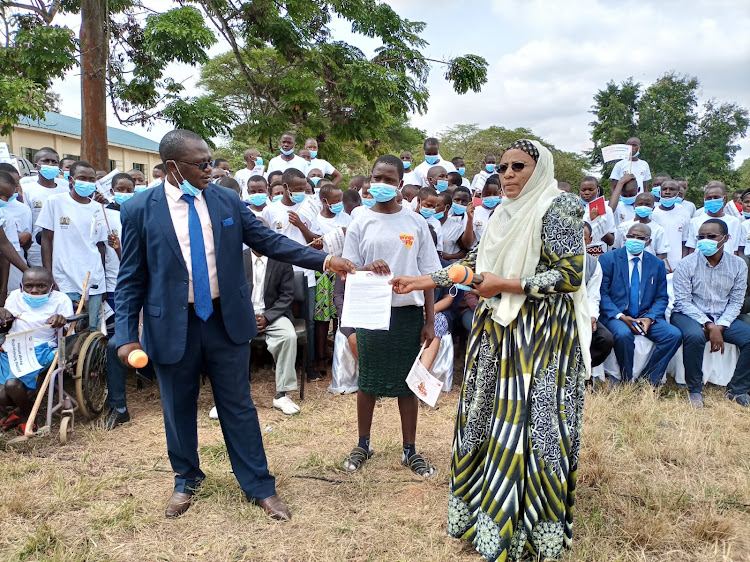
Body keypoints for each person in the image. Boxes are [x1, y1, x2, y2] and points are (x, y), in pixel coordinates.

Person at [114, 129, 354, 520]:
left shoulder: (226, 199)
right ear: (173, 167)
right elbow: (130, 279)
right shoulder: (139, 209)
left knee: (238, 405)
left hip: (225, 320)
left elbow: (267, 240)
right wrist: (125, 336)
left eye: (212, 161)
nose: (211, 169)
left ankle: (259, 485)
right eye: (202, 163)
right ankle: (186, 480)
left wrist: (325, 260)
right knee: (177, 407)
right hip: (173, 324)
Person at [392, 140, 590, 561]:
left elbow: (571, 274)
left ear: (540, 168)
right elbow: (473, 265)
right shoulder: (502, 212)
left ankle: (533, 533)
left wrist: (507, 286)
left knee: (535, 430)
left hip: (542, 337)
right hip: (497, 333)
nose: (509, 173)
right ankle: (488, 524)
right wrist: (423, 282)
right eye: (503, 167)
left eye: (519, 166)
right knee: (487, 422)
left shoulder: (561, 207)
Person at [341, 154, 441, 478]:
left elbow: (429, 275)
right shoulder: (360, 221)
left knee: (407, 384)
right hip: (371, 312)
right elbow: (348, 269)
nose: (381, 184)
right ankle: (363, 444)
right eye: (376, 178)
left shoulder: (416, 223)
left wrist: (429, 320)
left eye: (388, 179)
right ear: (370, 181)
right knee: (367, 381)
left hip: (408, 314)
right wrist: (369, 268)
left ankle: (409, 449)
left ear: (400, 184)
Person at [671, 219, 750, 408]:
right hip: (689, 314)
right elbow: (682, 301)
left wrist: (720, 326)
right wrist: (708, 324)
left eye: (711, 236)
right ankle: (695, 390)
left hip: (723, 316)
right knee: (694, 336)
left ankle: (738, 388)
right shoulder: (686, 264)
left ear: (726, 238)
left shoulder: (738, 265)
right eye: (701, 237)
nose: (704, 240)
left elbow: (736, 301)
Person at [598, 224, 681, 384]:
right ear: (625, 237)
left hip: (645, 315)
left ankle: (649, 379)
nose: (634, 240)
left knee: (673, 335)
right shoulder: (608, 259)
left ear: (648, 242)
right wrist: (621, 317)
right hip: (617, 315)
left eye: (640, 238)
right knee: (623, 335)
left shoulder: (656, 264)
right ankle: (626, 379)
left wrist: (649, 318)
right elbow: (602, 294)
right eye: (631, 236)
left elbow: (661, 297)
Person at [262, 169, 320, 380]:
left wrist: (300, 225)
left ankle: (309, 365)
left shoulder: (308, 209)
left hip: (305, 272)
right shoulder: (271, 210)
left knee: (309, 320)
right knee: (281, 317)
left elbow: (315, 240)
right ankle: (280, 363)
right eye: (296, 189)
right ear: (285, 188)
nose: (300, 193)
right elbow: (266, 241)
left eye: (303, 189)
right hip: (279, 275)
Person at [0, 267, 73, 434]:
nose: (34, 290)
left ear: (52, 287)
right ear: (21, 286)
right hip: (14, 346)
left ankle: (26, 415)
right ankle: (21, 410)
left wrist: (61, 319)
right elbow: (7, 319)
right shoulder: (15, 297)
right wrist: (3, 313)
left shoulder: (61, 300)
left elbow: (69, 331)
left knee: (12, 385)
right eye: (29, 286)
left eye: (41, 286)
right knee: (3, 394)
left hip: (42, 347)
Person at [37, 161, 107, 330]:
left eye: (91, 180)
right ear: (71, 179)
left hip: (93, 279)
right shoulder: (55, 201)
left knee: (91, 330)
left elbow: (100, 246)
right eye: (82, 178)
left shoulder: (98, 208)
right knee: (66, 329)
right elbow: (46, 239)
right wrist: (49, 274)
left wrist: (102, 278)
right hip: (63, 276)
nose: (87, 183)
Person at [243, 221, 301, 415]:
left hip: (274, 314)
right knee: (229, 339)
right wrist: (247, 317)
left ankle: (282, 395)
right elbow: (229, 293)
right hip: (244, 315)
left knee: (288, 337)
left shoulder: (281, 260)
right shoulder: (236, 259)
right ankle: (232, 395)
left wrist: (267, 317)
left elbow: (287, 295)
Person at [100, 173, 136, 429]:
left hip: (163, 316)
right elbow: (130, 269)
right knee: (115, 345)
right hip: (137, 315)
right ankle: (119, 406)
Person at [23, 148, 69, 267]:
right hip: (37, 251)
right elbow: (27, 222)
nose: (51, 164)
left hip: (64, 250)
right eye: (46, 161)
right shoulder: (27, 190)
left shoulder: (65, 189)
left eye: (54, 162)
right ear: (36, 165)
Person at [583, 223, 614, 368]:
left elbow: (593, 295)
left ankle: (583, 369)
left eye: (582, 238)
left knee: (605, 339)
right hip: (558, 312)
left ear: (589, 240)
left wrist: (592, 317)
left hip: (582, 312)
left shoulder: (593, 264)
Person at [686, 181, 743, 255]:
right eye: (709, 198)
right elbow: (692, 248)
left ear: (724, 199)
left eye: (716, 197)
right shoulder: (695, 221)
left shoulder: (734, 222)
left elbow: (735, 249)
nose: (712, 200)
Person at [0, 166, 32, 294]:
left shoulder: (4, 216)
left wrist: (30, 273)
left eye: (7, 197)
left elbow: (6, 248)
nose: (3, 200)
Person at [613, 192, 669, 259]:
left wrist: (652, 267)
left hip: (649, 266)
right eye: (640, 204)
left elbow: (662, 254)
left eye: (647, 205)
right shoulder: (622, 227)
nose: (643, 207)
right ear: (634, 206)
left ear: (653, 208)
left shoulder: (659, 229)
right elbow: (615, 249)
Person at [651, 179, 691, 272]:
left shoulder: (684, 213)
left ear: (678, 193)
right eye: (665, 189)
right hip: (656, 264)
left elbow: (684, 241)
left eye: (672, 189)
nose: (667, 192)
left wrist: (682, 264)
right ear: (660, 192)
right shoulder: (652, 212)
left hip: (677, 266)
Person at [579, 176, 614, 255]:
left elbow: (611, 241)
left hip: (598, 251)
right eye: (583, 190)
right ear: (579, 191)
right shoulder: (573, 208)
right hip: (577, 252)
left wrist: (597, 221)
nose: (587, 193)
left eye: (591, 190)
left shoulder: (606, 209)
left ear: (598, 190)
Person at [440, 187, 474, 262]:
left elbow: (466, 247)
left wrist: (448, 256)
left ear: (470, 202)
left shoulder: (471, 220)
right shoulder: (447, 218)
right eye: (457, 200)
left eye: (464, 201)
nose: (460, 204)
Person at [473, 177, 501, 245]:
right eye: (487, 194)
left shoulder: (504, 210)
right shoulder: (475, 212)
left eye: (495, 194)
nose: (491, 197)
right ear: (481, 195)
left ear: (500, 193)